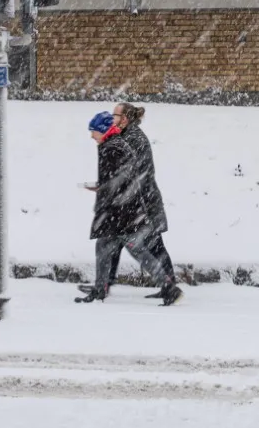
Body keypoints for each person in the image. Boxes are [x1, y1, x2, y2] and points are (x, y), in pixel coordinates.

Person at [75, 109, 183, 306]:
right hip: (122, 209)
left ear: (102, 129)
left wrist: (104, 192)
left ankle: (168, 287)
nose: (91, 135)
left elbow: (121, 180)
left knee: (137, 249)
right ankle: (101, 289)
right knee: (109, 248)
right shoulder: (113, 144)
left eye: (94, 131)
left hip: (122, 211)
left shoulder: (113, 147)